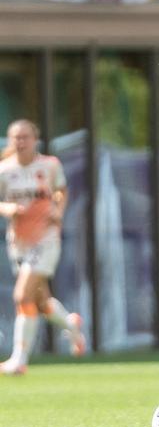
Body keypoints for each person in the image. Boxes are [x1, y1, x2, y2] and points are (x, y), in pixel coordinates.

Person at [0, 119, 86, 375]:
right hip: (19, 241)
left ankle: (19, 359)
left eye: (25, 137)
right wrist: (9, 209)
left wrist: (58, 210)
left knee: (21, 296)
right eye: (16, 137)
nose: (20, 142)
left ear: (35, 139)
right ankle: (71, 326)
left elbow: (61, 191)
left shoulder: (49, 165)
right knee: (40, 302)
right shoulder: (4, 170)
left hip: (46, 238)